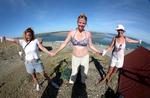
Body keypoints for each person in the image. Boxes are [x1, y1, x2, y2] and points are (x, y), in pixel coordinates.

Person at [52, 14, 100, 84]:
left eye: (83, 23)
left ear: (86, 24)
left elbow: (91, 45)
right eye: (80, 22)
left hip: (85, 57)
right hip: (75, 57)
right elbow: (64, 43)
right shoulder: (72, 33)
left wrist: (98, 51)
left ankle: (82, 84)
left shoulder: (88, 33)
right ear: (77, 22)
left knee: (84, 73)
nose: (81, 24)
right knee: (74, 72)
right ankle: (71, 84)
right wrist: (56, 52)